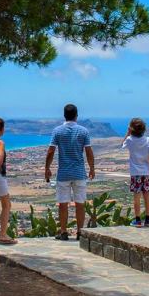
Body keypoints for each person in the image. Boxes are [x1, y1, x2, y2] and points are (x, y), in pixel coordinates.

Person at [44, 103, 95, 241]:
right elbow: (89, 151)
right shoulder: (84, 131)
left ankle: (63, 232)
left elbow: (50, 151)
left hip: (63, 174)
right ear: (76, 116)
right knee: (80, 204)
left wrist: (47, 168)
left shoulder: (57, 131)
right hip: (79, 173)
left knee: (63, 204)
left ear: (64, 115)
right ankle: (80, 232)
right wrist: (92, 168)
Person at [121, 117, 149, 227]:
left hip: (135, 173)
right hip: (146, 173)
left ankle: (137, 220)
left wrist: (127, 133)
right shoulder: (148, 140)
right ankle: (148, 219)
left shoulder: (130, 140)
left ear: (131, 129)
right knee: (147, 196)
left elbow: (122, 146)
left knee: (136, 197)